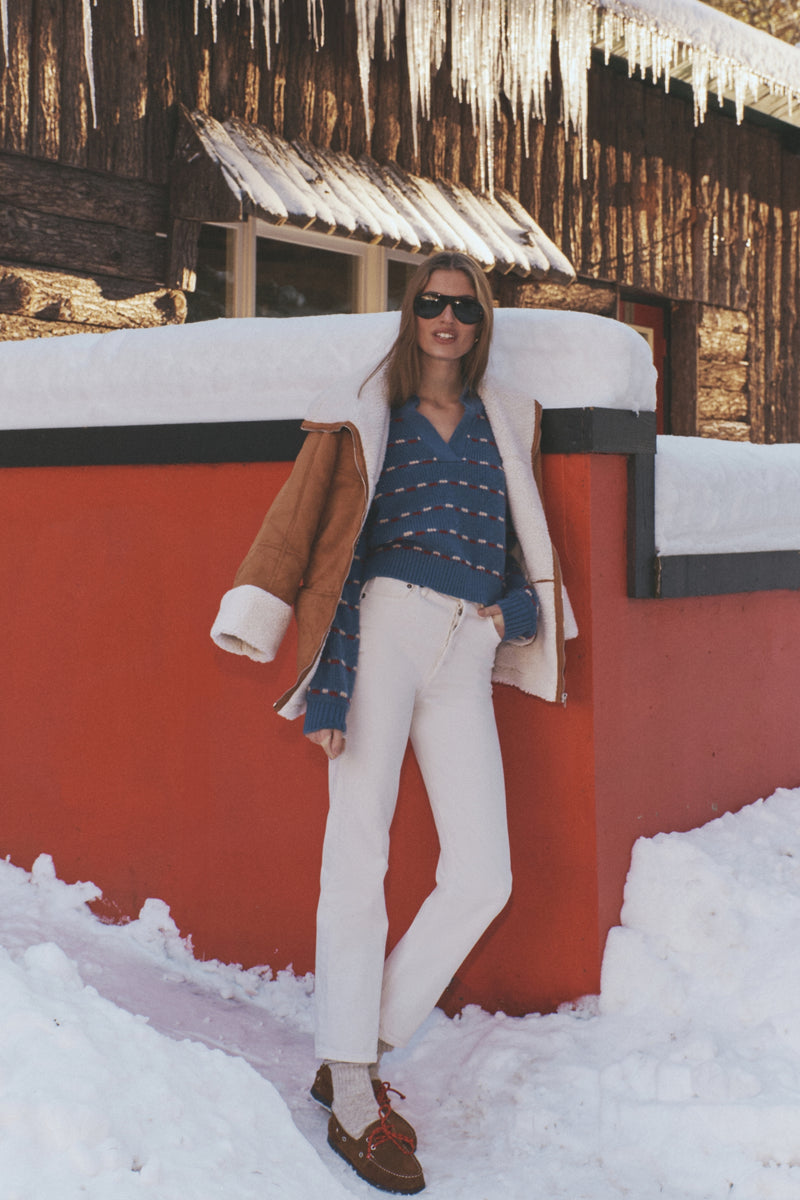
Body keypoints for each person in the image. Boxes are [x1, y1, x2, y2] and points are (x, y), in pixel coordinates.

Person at [211, 251, 573, 1194]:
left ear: (482, 322)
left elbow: (518, 545)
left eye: (465, 307)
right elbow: (330, 549)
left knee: (483, 874)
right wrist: (329, 686)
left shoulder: (502, 422)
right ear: (410, 314)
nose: (447, 319)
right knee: (357, 849)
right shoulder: (371, 413)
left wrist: (516, 613)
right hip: (382, 630)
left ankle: (355, 1050)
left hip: (465, 648)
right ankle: (353, 1088)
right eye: (432, 304)